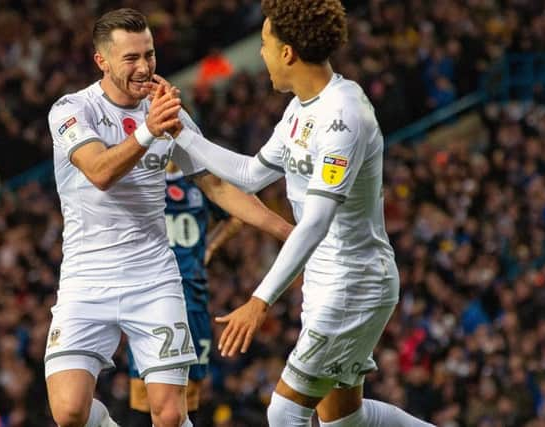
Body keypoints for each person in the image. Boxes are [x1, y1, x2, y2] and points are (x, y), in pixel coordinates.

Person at [169, 0, 436, 425]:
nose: (261, 54)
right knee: (344, 420)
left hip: (354, 281)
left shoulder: (343, 116)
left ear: (288, 52)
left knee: (284, 410)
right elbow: (250, 173)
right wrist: (180, 128)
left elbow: (315, 221)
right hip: (327, 279)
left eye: (264, 44)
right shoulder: (301, 109)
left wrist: (260, 300)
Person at [45, 8, 292, 427]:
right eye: (131, 58)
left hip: (154, 278)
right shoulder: (72, 110)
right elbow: (100, 172)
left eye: (150, 54)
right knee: (69, 412)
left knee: (170, 415)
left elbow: (216, 186)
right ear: (101, 61)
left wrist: (289, 232)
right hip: (86, 279)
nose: (144, 67)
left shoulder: (166, 113)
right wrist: (149, 130)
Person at [127, 161, 244, 427]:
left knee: (189, 393)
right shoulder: (143, 178)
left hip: (190, 292)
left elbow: (236, 217)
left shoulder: (199, 180)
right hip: (149, 292)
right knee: (141, 392)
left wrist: (210, 248)